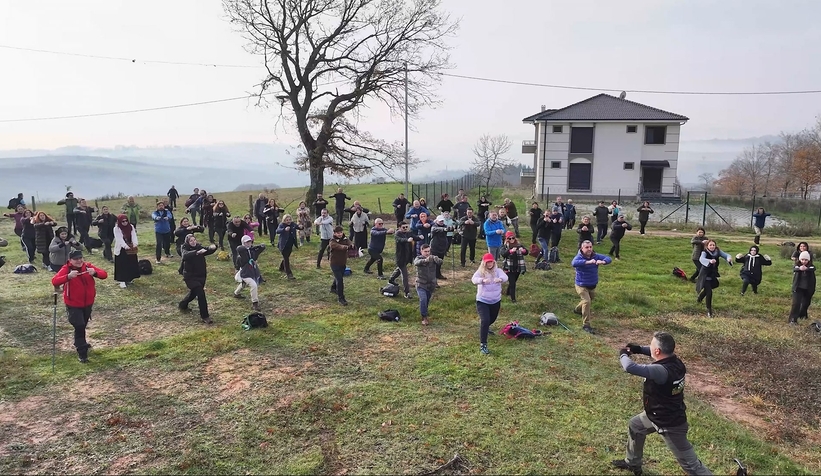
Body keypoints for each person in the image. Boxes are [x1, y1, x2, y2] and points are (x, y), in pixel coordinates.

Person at [612, 332, 713, 476]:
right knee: (636, 426)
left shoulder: (659, 371)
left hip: (670, 425)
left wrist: (623, 354)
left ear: (658, 351)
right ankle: (632, 463)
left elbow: (630, 367)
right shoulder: (675, 362)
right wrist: (638, 349)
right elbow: (653, 351)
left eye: (651, 346)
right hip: (655, 415)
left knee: (692, 466)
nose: (649, 347)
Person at [51, 250, 108, 363]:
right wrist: (68, 276)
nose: (79, 261)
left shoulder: (87, 266)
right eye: (76, 259)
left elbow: (104, 274)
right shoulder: (66, 269)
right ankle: (82, 353)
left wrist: (94, 273)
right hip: (73, 304)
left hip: (88, 303)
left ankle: (79, 342)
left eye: (80, 258)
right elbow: (55, 281)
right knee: (79, 326)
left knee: (83, 324)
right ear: (70, 260)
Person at [571, 240, 612, 334]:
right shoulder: (579, 257)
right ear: (582, 248)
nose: (589, 249)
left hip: (592, 285)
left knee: (590, 299)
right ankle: (586, 325)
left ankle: (577, 310)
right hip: (581, 285)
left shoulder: (595, 256)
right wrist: (587, 262)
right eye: (587, 247)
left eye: (590, 247)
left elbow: (609, 258)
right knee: (587, 301)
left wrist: (603, 261)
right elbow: (574, 263)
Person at [471, 252, 508, 355]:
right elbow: (473, 279)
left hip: (495, 300)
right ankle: (483, 345)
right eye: (487, 262)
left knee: (492, 319)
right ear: (484, 263)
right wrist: (482, 280)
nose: (489, 264)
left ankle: (485, 327)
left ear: (494, 262)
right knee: (485, 320)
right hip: (482, 300)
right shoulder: (480, 271)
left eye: (491, 262)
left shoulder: (498, 271)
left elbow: (505, 277)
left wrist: (500, 279)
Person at [179, 234, 218, 323]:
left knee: (194, 293)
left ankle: (182, 304)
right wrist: (196, 252)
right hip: (190, 277)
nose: (193, 242)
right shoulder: (185, 248)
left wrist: (214, 247)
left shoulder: (198, 247)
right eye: (191, 241)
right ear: (188, 242)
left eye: (194, 240)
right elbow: (185, 255)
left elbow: (207, 250)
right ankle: (205, 316)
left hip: (201, 275)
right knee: (201, 294)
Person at [695, 240, 733, 318]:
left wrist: (728, 258)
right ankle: (709, 311)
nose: (712, 246)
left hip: (712, 274)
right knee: (709, 292)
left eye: (713, 245)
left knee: (715, 284)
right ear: (707, 246)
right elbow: (701, 259)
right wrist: (709, 261)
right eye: (710, 245)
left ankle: (700, 298)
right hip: (705, 275)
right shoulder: (704, 252)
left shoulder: (717, 251)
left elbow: (726, 255)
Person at [413, 244, 443, 326]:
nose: (427, 253)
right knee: (423, 299)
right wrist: (425, 260)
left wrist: (436, 259)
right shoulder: (418, 258)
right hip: (421, 284)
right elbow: (416, 263)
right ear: (421, 251)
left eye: (428, 251)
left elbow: (440, 262)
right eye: (425, 251)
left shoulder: (433, 258)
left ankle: (424, 311)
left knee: (426, 300)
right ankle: (424, 317)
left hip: (431, 284)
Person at [234, 235, 265, 311]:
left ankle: (236, 293)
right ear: (243, 243)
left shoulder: (252, 251)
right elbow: (239, 251)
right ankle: (255, 303)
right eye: (246, 242)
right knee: (254, 285)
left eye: (250, 241)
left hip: (253, 271)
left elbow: (261, 248)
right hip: (245, 273)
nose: (248, 243)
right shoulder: (241, 254)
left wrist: (257, 247)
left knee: (244, 284)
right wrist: (237, 269)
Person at [388, 221, 415, 299]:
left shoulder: (408, 233)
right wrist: (407, 240)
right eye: (403, 227)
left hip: (407, 258)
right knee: (405, 275)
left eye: (406, 227)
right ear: (399, 228)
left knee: (399, 270)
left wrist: (419, 237)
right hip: (401, 258)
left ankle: (391, 279)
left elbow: (414, 237)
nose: (405, 228)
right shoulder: (397, 234)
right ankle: (407, 292)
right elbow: (401, 240)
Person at [113, 214, 140, 289]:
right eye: (123, 221)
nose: (125, 223)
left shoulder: (131, 226)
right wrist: (125, 246)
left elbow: (133, 235)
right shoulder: (116, 228)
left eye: (126, 221)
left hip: (130, 247)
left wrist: (135, 244)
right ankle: (122, 280)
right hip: (121, 249)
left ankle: (129, 278)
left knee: (131, 263)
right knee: (122, 265)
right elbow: (119, 238)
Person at [789, 251, 816, 325]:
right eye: (802, 259)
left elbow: (812, 268)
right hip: (798, 288)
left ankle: (802, 315)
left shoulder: (811, 266)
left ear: (809, 260)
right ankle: (792, 320)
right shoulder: (797, 266)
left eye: (806, 260)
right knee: (796, 304)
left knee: (806, 303)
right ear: (800, 259)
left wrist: (806, 269)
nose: (804, 261)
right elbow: (795, 269)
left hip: (808, 289)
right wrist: (800, 269)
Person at [328, 226, 353, 305]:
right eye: (338, 233)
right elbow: (338, 246)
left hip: (343, 263)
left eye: (341, 232)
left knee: (339, 277)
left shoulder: (345, 238)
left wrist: (352, 245)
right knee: (340, 280)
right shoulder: (332, 241)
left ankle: (333, 288)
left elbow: (350, 242)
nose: (340, 234)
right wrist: (345, 247)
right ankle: (341, 298)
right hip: (334, 264)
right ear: (334, 233)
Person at [501, 231, 528, 302]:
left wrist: (523, 251)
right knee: (512, 283)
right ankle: (513, 299)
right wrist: (510, 251)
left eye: (513, 238)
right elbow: (503, 254)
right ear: (507, 239)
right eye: (509, 238)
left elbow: (526, 252)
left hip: (518, 267)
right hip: (509, 268)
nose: (511, 239)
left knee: (513, 282)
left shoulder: (519, 245)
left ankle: (507, 292)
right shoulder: (505, 246)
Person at [276, 214, 301, 280]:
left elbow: (298, 227)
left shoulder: (293, 224)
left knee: (286, 257)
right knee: (286, 258)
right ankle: (289, 274)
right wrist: (284, 229)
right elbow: (277, 231)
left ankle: (281, 268)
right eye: (287, 220)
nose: (288, 221)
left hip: (290, 244)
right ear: (284, 220)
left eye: (289, 220)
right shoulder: (282, 225)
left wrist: (301, 227)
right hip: (283, 245)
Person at [430, 216, 451, 280]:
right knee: (434, 262)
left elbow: (449, 229)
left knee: (440, 261)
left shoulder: (445, 226)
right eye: (440, 221)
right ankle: (432, 276)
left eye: (442, 221)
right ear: (436, 221)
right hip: (435, 247)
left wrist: (451, 228)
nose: (441, 222)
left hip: (442, 247)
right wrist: (444, 229)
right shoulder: (434, 226)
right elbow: (436, 229)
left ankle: (438, 274)